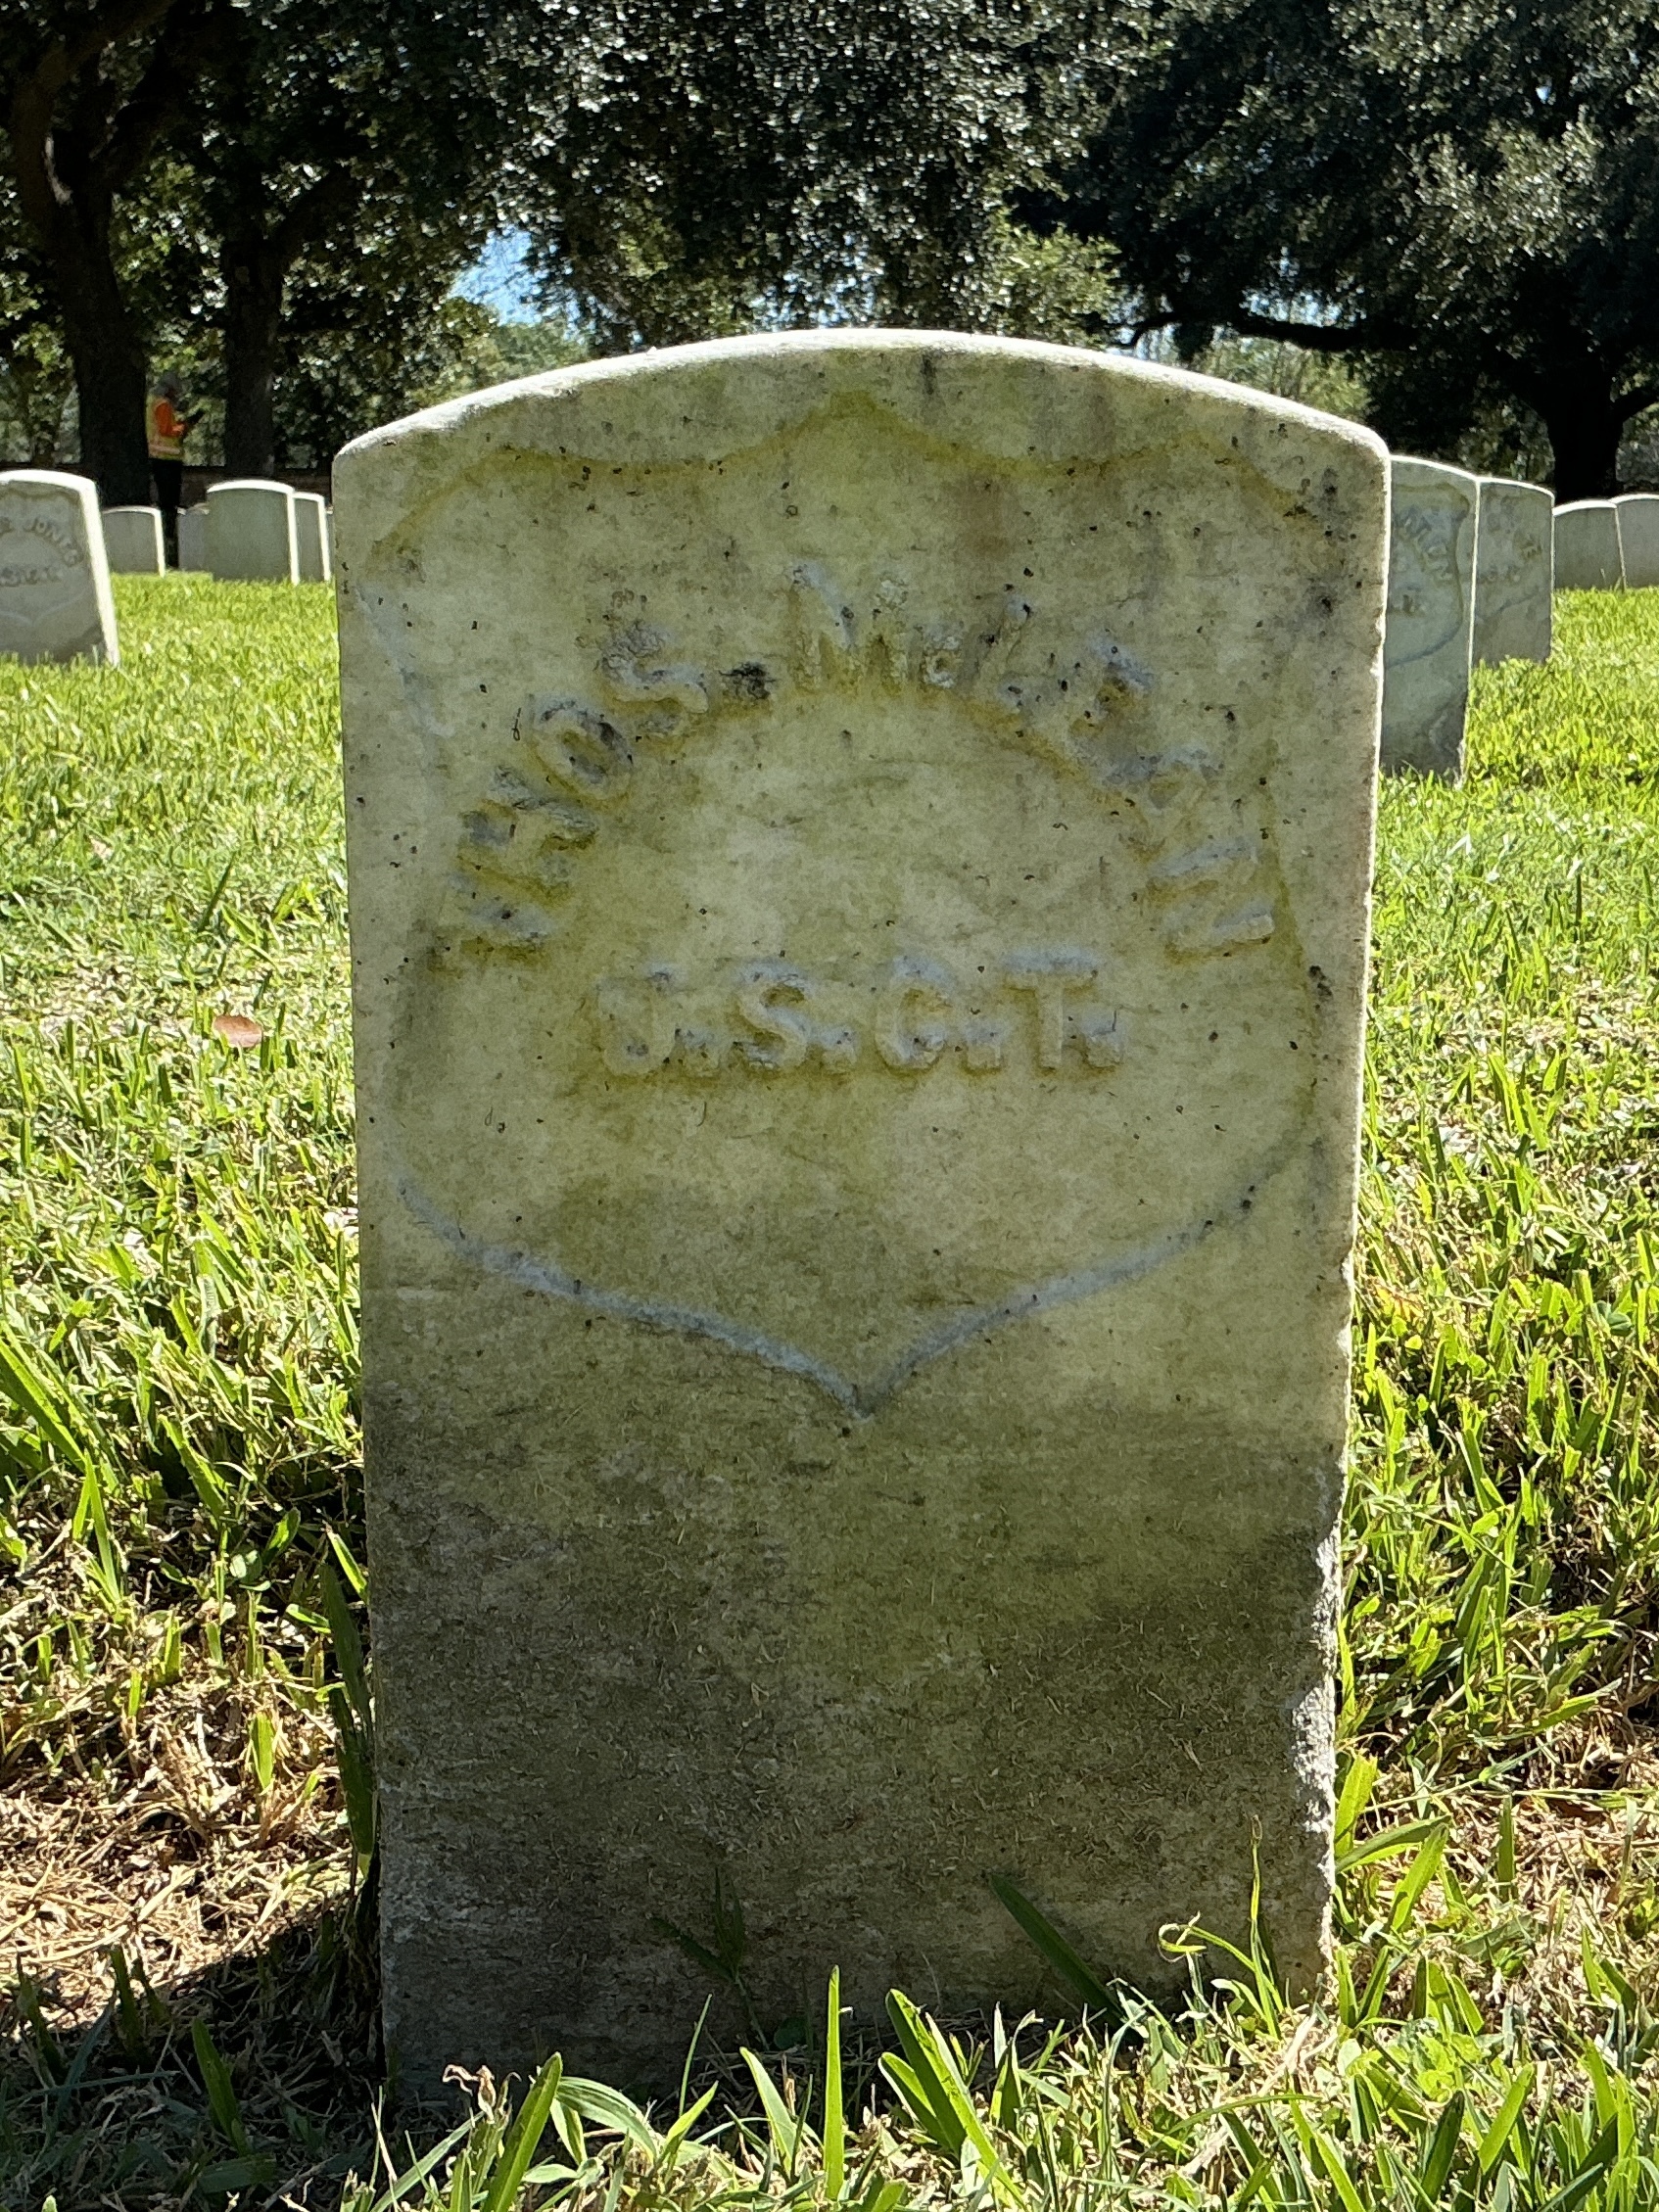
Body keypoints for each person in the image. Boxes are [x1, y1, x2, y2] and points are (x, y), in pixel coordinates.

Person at [147, 374, 193, 565]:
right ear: (169, 390)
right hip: (166, 459)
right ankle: (169, 538)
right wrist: (185, 427)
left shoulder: (152, 402)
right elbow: (167, 430)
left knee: (167, 501)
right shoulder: (162, 404)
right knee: (169, 501)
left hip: (160, 459)